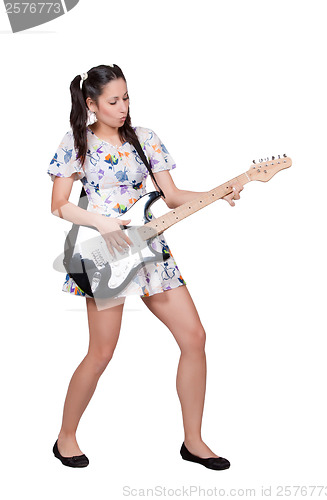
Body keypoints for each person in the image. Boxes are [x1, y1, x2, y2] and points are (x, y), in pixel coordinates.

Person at [47, 64, 243, 469]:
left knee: (195, 337)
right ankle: (66, 437)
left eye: (127, 98)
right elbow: (59, 204)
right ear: (92, 104)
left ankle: (194, 442)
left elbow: (170, 196)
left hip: (152, 251)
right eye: (114, 101)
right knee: (101, 353)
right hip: (104, 253)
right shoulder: (76, 143)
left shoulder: (145, 139)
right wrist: (101, 221)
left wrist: (218, 193)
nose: (123, 107)